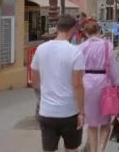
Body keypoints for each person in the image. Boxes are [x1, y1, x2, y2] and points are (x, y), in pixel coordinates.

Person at [31, 14, 86, 152]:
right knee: (72, 149)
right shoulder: (75, 52)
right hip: (69, 112)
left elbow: (35, 82)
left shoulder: (40, 49)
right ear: (73, 29)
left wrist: (42, 98)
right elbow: (77, 84)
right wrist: (81, 112)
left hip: (47, 112)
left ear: (57, 28)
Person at [79, 19, 119, 152]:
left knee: (92, 123)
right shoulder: (106, 45)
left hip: (87, 83)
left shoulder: (81, 47)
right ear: (99, 31)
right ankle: (102, 149)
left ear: (86, 33)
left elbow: (77, 69)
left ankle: (93, 150)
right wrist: (118, 85)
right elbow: (113, 69)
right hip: (104, 83)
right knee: (105, 121)